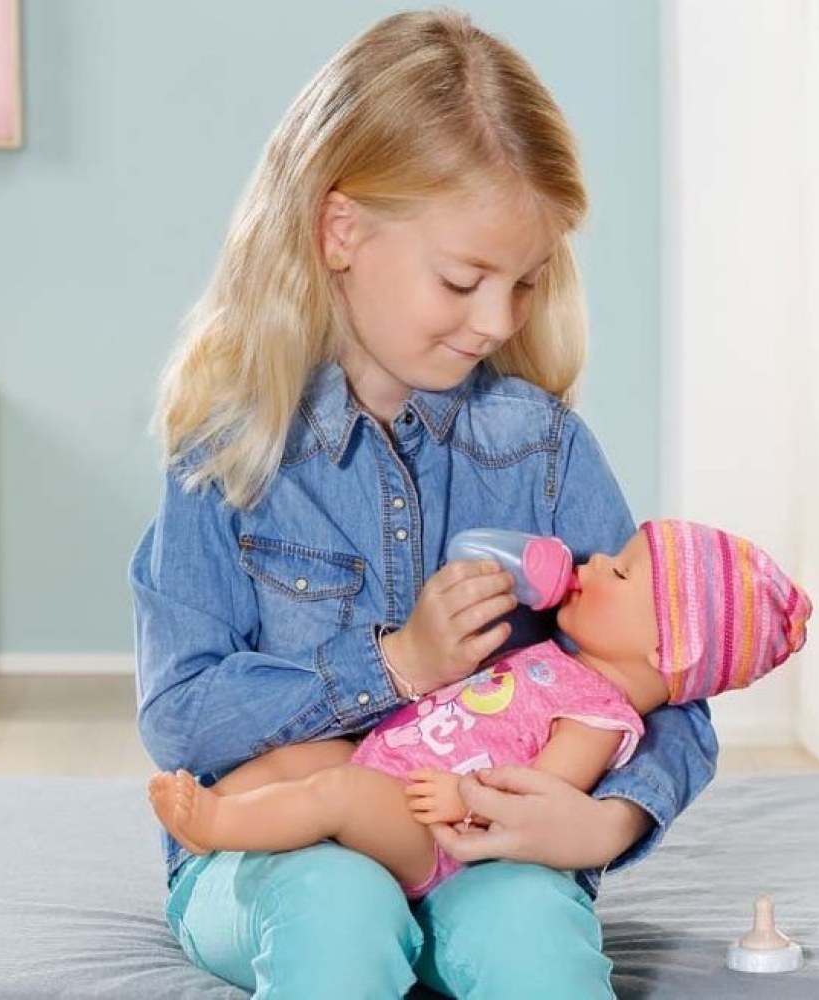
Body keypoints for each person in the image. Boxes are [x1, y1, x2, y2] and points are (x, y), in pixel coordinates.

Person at [129, 10, 720, 999]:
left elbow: (669, 664)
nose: (496, 321)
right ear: (340, 230)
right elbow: (183, 720)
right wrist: (394, 664)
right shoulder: (231, 455)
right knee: (337, 911)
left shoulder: (540, 448)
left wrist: (606, 820)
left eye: (525, 283)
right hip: (273, 857)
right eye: (463, 279)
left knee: (532, 931)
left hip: (478, 856)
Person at [148, 520, 812, 902]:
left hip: (432, 836)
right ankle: (208, 827)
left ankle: (218, 824)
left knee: (337, 792)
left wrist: (463, 794)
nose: (597, 559)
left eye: (620, 573)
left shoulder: (600, 720)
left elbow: (531, 801)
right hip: (396, 768)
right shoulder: (561, 658)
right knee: (299, 757)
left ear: (667, 648)